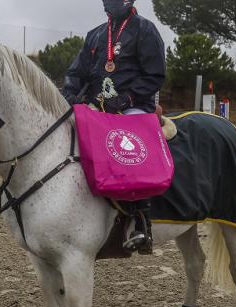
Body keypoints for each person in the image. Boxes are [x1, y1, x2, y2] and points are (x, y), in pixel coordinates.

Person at [63, 0, 166, 253]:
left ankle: (141, 221)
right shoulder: (96, 34)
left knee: (130, 146)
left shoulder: (145, 29)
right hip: (97, 104)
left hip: (132, 104)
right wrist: (70, 93)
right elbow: (78, 72)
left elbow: (155, 73)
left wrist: (130, 97)